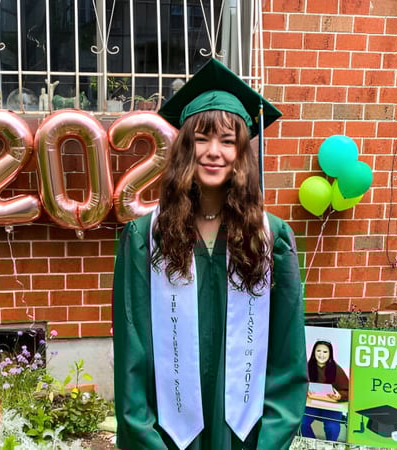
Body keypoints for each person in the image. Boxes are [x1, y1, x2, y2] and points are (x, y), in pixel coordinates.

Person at [112, 58, 307, 450]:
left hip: (244, 433)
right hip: (168, 433)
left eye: (228, 141)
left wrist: (269, 441)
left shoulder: (271, 238)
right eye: (201, 139)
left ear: (242, 153)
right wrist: (145, 439)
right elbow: (132, 352)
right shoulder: (145, 238)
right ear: (185, 148)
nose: (213, 152)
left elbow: (287, 354)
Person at [300, 340, 350, 441]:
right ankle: (311, 443)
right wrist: (305, 391)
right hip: (312, 404)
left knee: (332, 427)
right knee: (302, 422)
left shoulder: (336, 369)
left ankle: (329, 445)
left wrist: (339, 395)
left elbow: (348, 391)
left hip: (331, 406)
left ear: (330, 354)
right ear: (314, 352)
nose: (321, 354)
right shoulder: (307, 367)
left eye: (325, 352)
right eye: (318, 351)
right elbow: (299, 385)